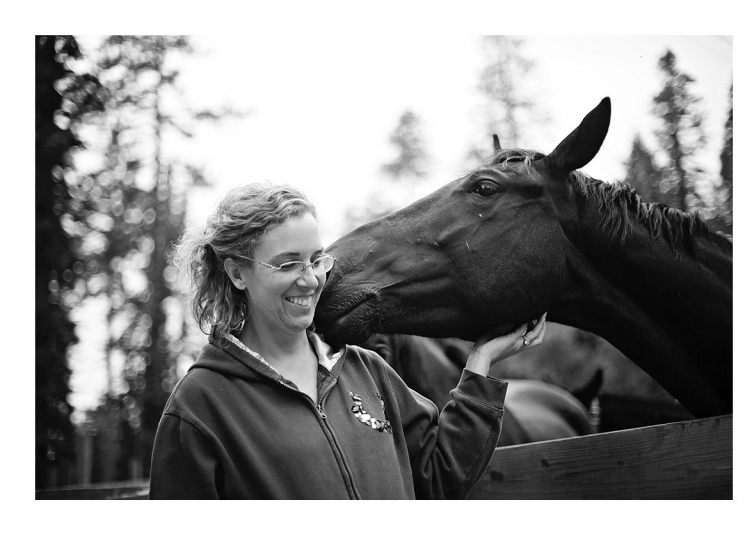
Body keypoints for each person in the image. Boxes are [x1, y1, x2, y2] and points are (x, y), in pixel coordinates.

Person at [149, 183, 546, 499]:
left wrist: (481, 361)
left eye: (316, 259)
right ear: (237, 273)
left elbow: (440, 476)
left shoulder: (366, 370)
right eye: (288, 263)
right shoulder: (198, 406)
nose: (310, 279)